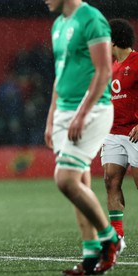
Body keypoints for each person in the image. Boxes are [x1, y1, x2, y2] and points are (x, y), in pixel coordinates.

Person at [43, 0, 121, 275]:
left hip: (92, 109)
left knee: (65, 179)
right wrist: (52, 116)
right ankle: (90, 256)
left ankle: (109, 237)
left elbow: (104, 71)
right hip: (64, 112)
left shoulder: (92, 19)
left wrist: (81, 114)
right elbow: (60, 74)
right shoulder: (59, 24)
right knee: (80, 181)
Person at [101, 18, 138, 250]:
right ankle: (117, 237)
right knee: (110, 180)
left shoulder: (137, 62)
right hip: (114, 133)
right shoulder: (112, 67)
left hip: (135, 132)